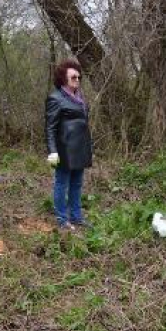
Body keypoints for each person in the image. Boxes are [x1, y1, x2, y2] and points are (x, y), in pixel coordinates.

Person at [45, 59, 93, 230]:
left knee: (77, 184)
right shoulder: (55, 98)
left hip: (80, 148)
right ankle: (62, 220)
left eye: (79, 77)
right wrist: (52, 152)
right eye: (73, 77)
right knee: (61, 183)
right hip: (64, 149)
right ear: (63, 79)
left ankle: (76, 216)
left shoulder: (79, 98)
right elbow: (50, 128)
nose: (77, 80)